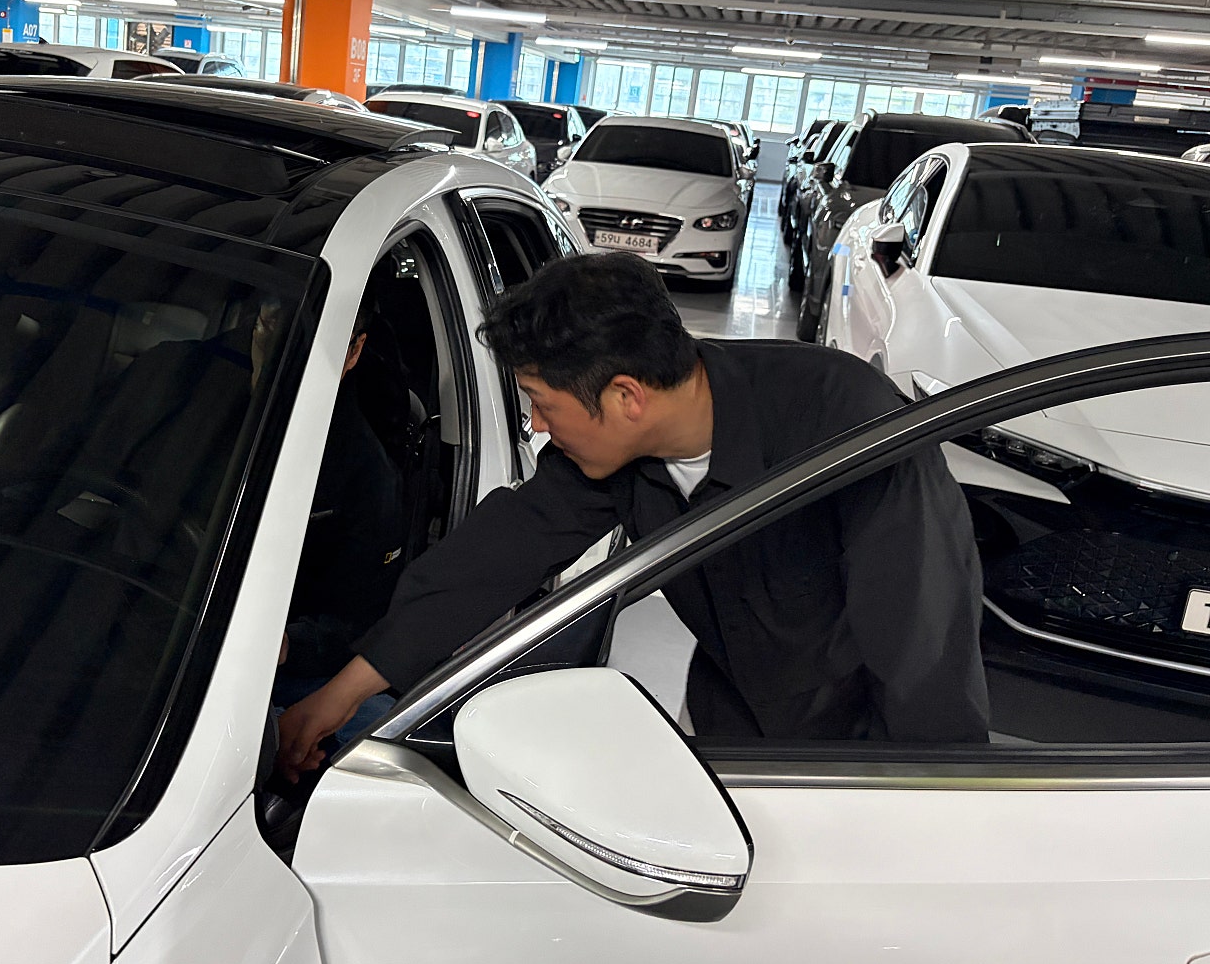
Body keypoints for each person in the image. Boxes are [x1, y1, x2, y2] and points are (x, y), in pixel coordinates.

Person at [278, 252, 989, 777]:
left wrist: (933, 804)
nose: (535, 425)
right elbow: (494, 556)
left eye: (542, 403)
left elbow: (925, 646)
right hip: (727, 723)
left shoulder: (846, 426)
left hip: (864, 753)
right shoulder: (615, 452)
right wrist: (338, 696)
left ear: (626, 397)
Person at [272, 297, 407, 746]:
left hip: (279, 660)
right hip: (156, 623)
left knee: (381, 728)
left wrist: (288, 644)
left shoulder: (368, 475)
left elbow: (360, 622)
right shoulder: (184, 401)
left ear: (354, 351)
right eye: (269, 326)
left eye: (312, 341)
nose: (282, 353)